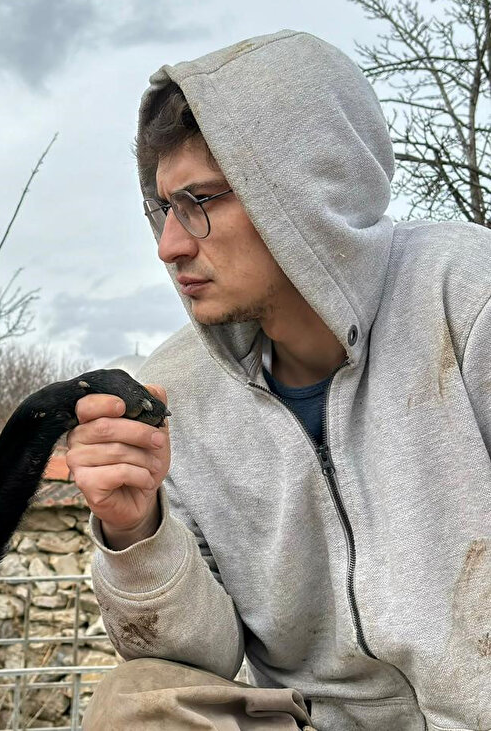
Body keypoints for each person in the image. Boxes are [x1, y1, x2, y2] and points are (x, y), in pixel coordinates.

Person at [66, 30, 491, 731]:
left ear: (302, 191)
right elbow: (195, 659)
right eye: (165, 208)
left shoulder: (464, 297)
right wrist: (136, 529)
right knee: (137, 704)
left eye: (200, 200)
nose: (171, 245)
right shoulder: (175, 390)